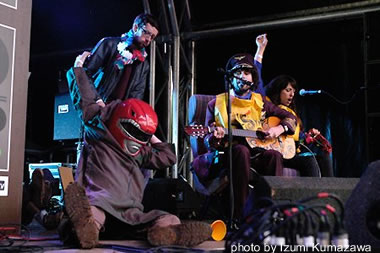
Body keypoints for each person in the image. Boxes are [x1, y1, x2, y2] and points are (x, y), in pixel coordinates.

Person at [60, 62, 211, 248]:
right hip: (115, 209)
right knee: (92, 212)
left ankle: (166, 233)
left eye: (142, 136)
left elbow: (84, 94)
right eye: (136, 132)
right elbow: (168, 156)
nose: (137, 139)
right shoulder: (102, 131)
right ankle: (88, 228)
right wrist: (150, 136)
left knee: (166, 217)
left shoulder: (107, 133)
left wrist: (78, 67)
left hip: (126, 214)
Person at [201, 52, 300, 221]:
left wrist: (279, 130)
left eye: (246, 73)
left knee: (274, 155)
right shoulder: (216, 103)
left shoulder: (260, 100)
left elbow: (290, 118)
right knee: (241, 151)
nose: (242, 76)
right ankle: (242, 216)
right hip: (230, 154)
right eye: (237, 73)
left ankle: (270, 213)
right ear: (231, 79)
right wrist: (216, 137)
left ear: (253, 78)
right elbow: (207, 140)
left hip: (258, 151)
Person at [66, 13, 159, 112]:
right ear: (135, 27)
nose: (148, 39)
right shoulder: (109, 44)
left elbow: (137, 94)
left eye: (152, 37)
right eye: (146, 33)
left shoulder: (143, 64)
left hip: (118, 115)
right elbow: (85, 73)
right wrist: (97, 100)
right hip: (97, 110)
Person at [265, 75, 334, 177]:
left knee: (325, 158)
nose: (292, 94)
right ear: (278, 90)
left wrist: (307, 138)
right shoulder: (270, 108)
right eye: (288, 90)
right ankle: (313, 193)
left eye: (293, 91)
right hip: (279, 153)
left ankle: (330, 191)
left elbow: (296, 140)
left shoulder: (292, 114)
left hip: (292, 152)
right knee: (310, 161)